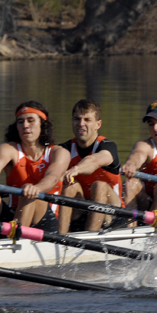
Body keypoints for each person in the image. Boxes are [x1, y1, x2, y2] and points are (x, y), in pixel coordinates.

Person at [0, 101, 69, 232]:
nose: (25, 125)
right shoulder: (9, 149)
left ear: (43, 125)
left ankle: (14, 241)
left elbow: (53, 177)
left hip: (44, 220)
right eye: (20, 122)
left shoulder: (59, 152)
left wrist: (36, 188)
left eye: (31, 121)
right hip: (13, 216)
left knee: (29, 193)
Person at [57, 99, 124, 233]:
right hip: (82, 212)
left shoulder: (108, 147)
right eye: (77, 119)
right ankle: (60, 238)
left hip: (113, 213)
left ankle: (90, 237)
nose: (81, 124)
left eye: (87, 120)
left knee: (99, 186)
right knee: (70, 186)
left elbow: (94, 161)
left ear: (98, 124)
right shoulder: (63, 149)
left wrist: (76, 169)